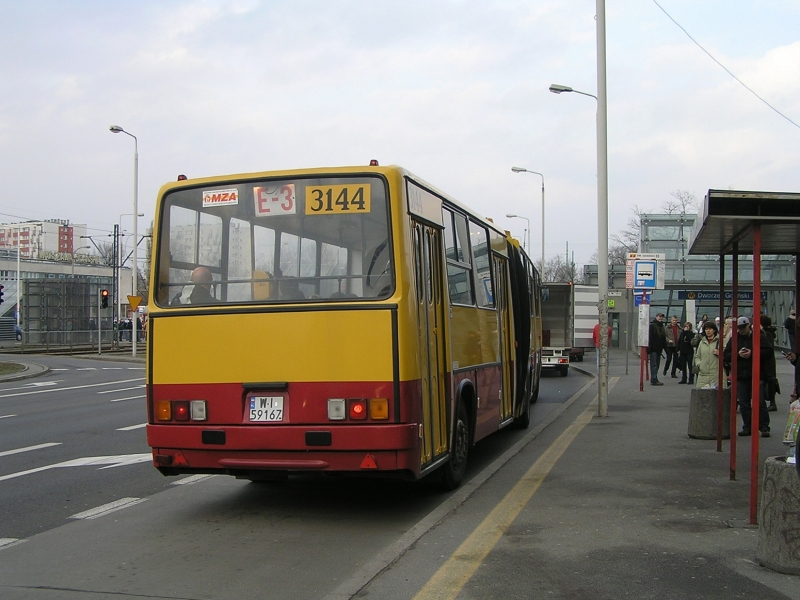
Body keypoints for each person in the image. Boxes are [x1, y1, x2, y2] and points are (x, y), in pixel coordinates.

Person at [723, 316, 773, 438]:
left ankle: (764, 426)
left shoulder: (759, 336)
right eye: (740, 328)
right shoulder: (735, 339)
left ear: (748, 326)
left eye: (743, 327)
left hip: (756, 374)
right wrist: (738, 355)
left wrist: (753, 353)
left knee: (760, 402)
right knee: (744, 404)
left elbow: (768, 351)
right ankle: (748, 426)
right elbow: (726, 355)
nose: (742, 330)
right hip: (741, 375)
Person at [693, 321, 719, 389]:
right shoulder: (702, 342)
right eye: (706, 329)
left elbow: (728, 355)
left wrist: (720, 353)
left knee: (716, 397)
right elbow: (697, 356)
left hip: (716, 375)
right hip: (703, 375)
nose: (708, 331)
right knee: (701, 395)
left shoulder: (720, 341)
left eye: (710, 329)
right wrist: (699, 364)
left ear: (714, 330)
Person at [761, 315, 779, 412]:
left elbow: (767, 348)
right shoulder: (769, 333)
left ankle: (772, 402)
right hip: (770, 361)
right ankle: (772, 402)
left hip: (767, 362)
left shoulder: (766, 334)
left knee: (769, 381)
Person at [648, 313, 667, 386]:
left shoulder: (662, 327)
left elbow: (663, 339)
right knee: (654, 364)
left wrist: (666, 349)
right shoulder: (652, 326)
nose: (661, 318)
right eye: (659, 317)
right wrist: (649, 348)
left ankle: (654, 378)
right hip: (653, 349)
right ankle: (654, 379)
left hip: (659, 349)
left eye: (662, 317)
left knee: (657, 364)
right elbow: (650, 337)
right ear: (656, 317)